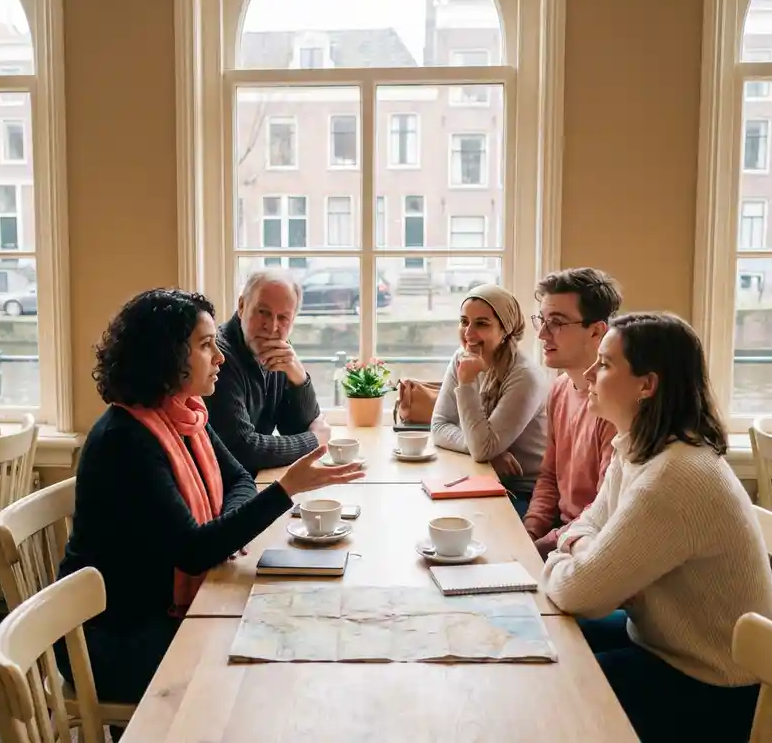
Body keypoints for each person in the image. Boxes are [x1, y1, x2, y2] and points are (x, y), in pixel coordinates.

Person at [56, 289, 363, 722]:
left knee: (293, 633)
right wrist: (284, 491)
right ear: (166, 357)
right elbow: (195, 551)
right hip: (114, 639)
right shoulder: (126, 439)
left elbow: (238, 478)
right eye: (205, 345)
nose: (219, 357)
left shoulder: (185, 412)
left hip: (157, 610)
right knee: (267, 669)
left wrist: (225, 528)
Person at [540, 312, 772, 743]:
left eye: (606, 364)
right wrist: (582, 544)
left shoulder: (677, 476)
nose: (591, 373)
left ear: (646, 385)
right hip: (659, 642)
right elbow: (589, 520)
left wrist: (573, 550)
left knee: (553, 689)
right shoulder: (636, 446)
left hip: (713, 686)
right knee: (546, 637)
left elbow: (580, 593)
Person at [522, 268, 621, 559]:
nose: (542, 334)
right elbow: (550, 477)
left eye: (557, 322)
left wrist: (535, 550)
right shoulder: (560, 388)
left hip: (590, 546)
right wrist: (528, 533)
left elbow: (603, 513)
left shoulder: (616, 406)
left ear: (596, 331)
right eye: (542, 320)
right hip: (559, 534)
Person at [431, 283, 548, 515]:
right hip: (481, 476)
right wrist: (489, 452)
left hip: (523, 492)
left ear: (505, 330)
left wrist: (466, 384)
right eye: (464, 321)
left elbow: (482, 449)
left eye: (481, 324)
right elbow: (439, 425)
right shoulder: (461, 358)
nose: (468, 333)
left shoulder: (525, 375)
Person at [205, 270, 331, 475]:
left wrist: (299, 377)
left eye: (283, 317)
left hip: (254, 481)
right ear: (242, 306)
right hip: (225, 491)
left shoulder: (278, 351)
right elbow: (244, 449)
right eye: (263, 312)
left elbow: (297, 428)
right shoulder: (219, 359)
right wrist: (315, 440)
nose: (271, 327)